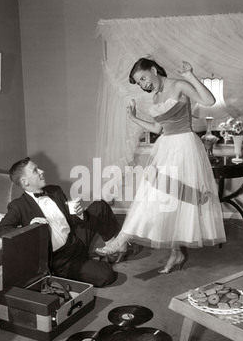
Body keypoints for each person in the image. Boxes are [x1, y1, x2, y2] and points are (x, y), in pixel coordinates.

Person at [95, 58, 226, 274]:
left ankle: (123, 240)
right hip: (165, 148)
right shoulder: (156, 97)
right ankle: (173, 252)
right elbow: (157, 129)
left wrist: (190, 75)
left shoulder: (178, 85)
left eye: (144, 77)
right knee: (159, 198)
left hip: (184, 147)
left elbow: (209, 100)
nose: (143, 84)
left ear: (154, 70)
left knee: (174, 199)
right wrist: (133, 117)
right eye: (139, 83)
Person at [0, 157, 124, 287]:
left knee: (100, 206)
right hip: (62, 259)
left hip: (75, 238)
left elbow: (70, 220)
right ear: (25, 181)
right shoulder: (18, 206)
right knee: (107, 275)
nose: (42, 171)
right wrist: (30, 228)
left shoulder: (55, 190)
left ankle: (112, 247)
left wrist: (79, 214)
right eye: (36, 170)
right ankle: (88, 265)